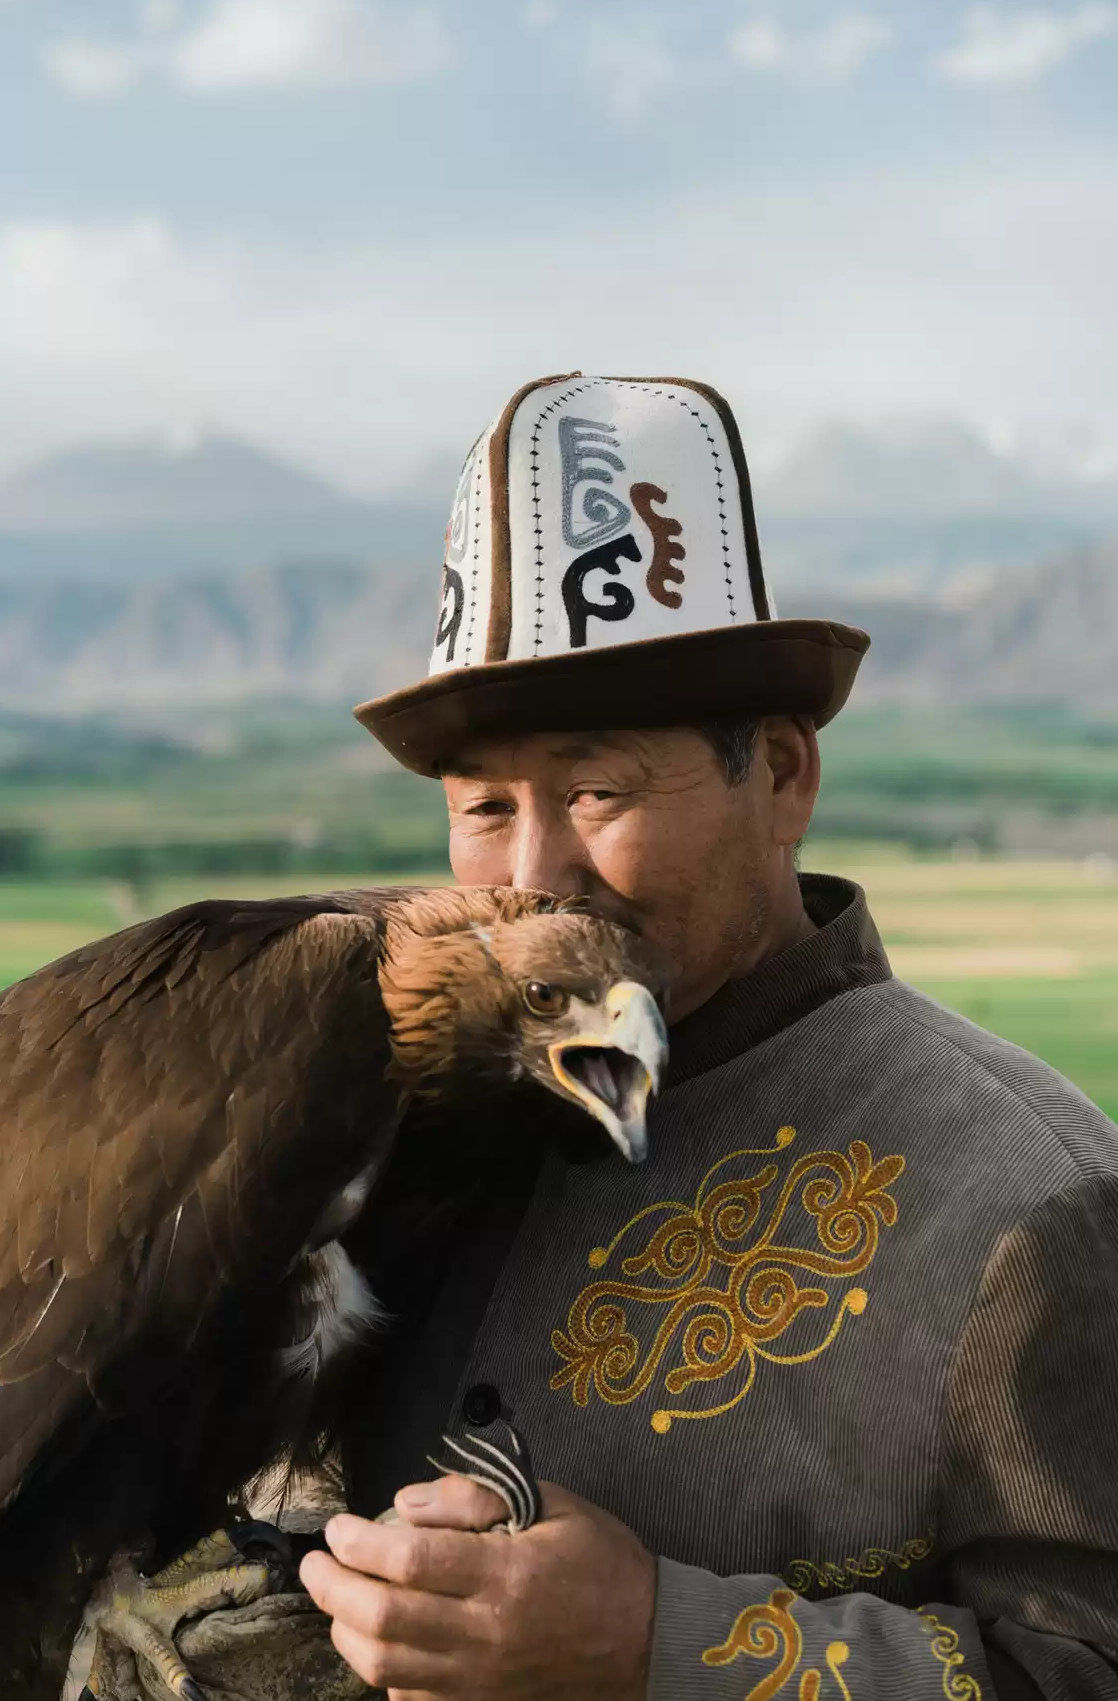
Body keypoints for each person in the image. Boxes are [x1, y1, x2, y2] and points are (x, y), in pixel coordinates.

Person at [301, 373, 1118, 1699]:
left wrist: (650, 1643)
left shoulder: (1035, 1200)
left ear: (782, 775)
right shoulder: (414, 1117)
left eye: (598, 787)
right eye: (485, 807)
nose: (539, 874)